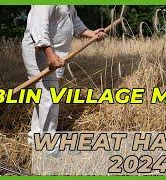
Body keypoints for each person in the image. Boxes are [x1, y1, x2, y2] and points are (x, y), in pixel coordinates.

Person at [21, 5, 106, 156]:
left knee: (43, 96)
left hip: (56, 54)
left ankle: (35, 137)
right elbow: (39, 24)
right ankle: (49, 146)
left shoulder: (68, 5)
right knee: (50, 96)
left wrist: (92, 34)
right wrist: (49, 53)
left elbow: (74, 21)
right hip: (40, 52)